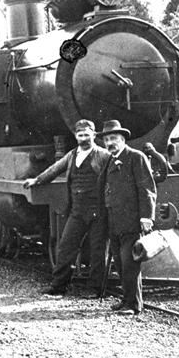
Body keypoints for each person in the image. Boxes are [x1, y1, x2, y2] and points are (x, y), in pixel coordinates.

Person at [24, 119, 111, 296]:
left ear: (94, 135)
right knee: (65, 248)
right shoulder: (72, 155)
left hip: (98, 211)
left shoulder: (103, 155)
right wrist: (37, 180)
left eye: (87, 135)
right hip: (77, 210)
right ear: (76, 136)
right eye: (80, 135)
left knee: (97, 251)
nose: (84, 138)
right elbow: (54, 169)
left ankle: (95, 290)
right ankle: (58, 286)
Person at [99, 120, 156, 315]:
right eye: (106, 139)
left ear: (123, 139)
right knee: (121, 263)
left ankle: (133, 305)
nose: (109, 143)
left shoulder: (135, 157)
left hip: (131, 220)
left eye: (113, 138)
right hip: (114, 221)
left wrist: (146, 217)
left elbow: (147, 189)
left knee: (130, 263)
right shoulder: (109, 159)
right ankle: (126, 300)